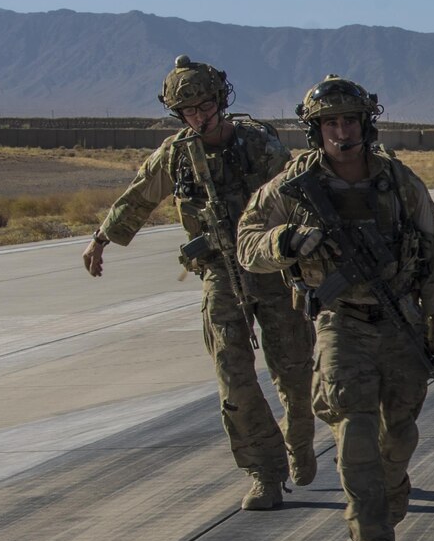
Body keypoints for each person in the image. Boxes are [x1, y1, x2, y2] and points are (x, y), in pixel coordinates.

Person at [237, 75, 434, 541]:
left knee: (397, 437)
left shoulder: (398, 181)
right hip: (340, 322)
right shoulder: (293, 188)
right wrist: (288, 241)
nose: (342, 132)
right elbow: (246, 243)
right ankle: (375, 537)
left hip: (401, 321)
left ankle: (390, 496)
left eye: (350, 121)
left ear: (365, 124)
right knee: (354, 434)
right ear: (316, 131)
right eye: (331, 123)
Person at [81, 56, 315, 511]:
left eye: (204, 106)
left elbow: (298, 197)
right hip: (219, 273)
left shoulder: (258, 146)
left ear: (219, 101)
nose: (198, 117)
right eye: (187, 111)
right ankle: (264, 470)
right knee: (231, 371)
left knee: (294, 369)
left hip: (271, 269)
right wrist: (100, 240)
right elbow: (139, 196)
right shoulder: (176, 154)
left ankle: (299, 438)